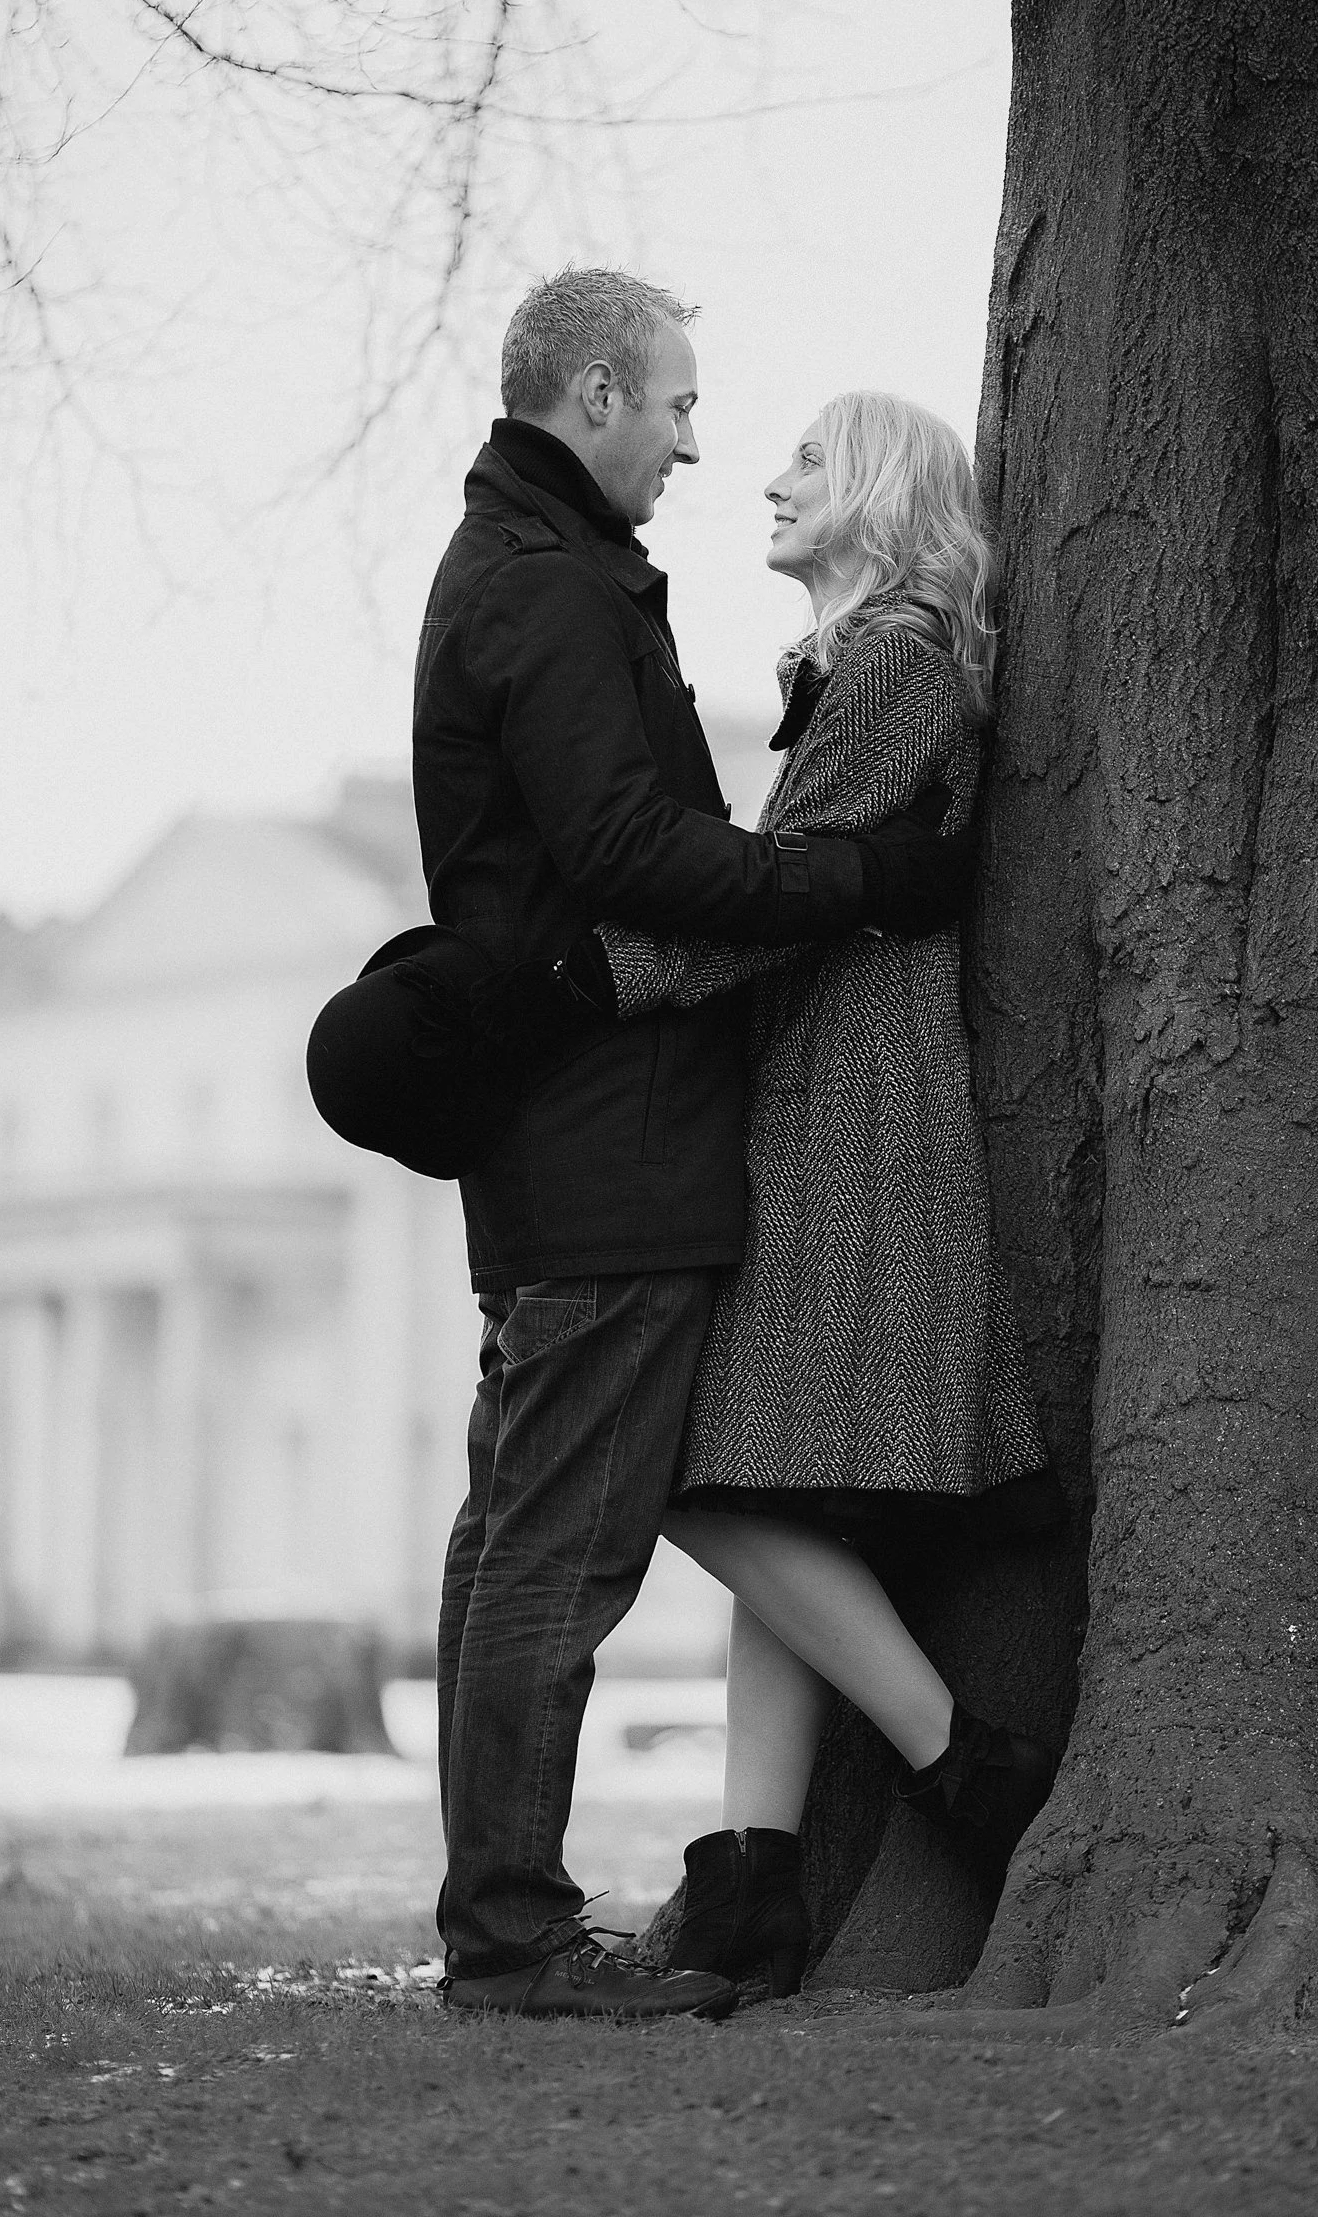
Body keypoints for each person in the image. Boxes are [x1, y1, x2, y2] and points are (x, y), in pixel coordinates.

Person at [413, 272, 977, 2019]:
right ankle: (521, 1938)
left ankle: (666, 1892)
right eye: (675, 406)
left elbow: (635, 865)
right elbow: (633, 858)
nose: (701, 444)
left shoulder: (540, 575)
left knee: (551, 1533)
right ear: (594, 395)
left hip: (656, 1131)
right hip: (614, 1135)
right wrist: (851, 886)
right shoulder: (558, 590)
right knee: (574, 1543)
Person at [590, 392, 1063, 1997]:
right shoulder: (870, 667)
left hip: (851, 1115)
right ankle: (753, 1885)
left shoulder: (894, 661)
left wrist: (591, 978)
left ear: (875, 493)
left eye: (805, 462)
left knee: (682, 1462)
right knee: (762, 1481)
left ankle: (958, 1758)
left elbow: (785, 901)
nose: (767, 483)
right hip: (828, 1100)